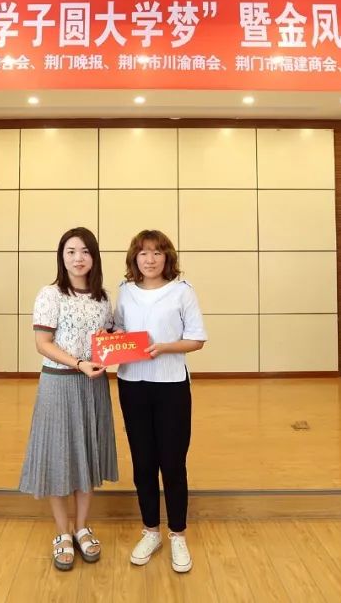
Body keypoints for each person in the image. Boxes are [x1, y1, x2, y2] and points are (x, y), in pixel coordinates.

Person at [19, 227, 118, 571]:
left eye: (85, 251)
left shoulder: (103, 298)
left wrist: (114, 338)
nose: (78, 258)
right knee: (59, 456)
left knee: (87, 454)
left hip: (93, 386)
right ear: (61, 257)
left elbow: (109, 336)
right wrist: (78, 363)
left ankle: (81, 527)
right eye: (71, 251)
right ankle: (62, 531)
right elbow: (43, 344)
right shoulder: (50, 294)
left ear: (94, 257)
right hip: (59, 384)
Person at [114, 229, 206, 573]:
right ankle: (150, 531)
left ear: (167, 257)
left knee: (173, 463)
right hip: (131, 384)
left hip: (171, 386)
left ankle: (178, 534)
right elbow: (118, 331)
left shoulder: (182, 291)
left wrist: (164, 347)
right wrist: (114, 340)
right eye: (143, 253)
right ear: (134, 258)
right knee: (143, 463)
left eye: (156, 252)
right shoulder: (124, 291)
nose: (149, 259)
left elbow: (196, 339)